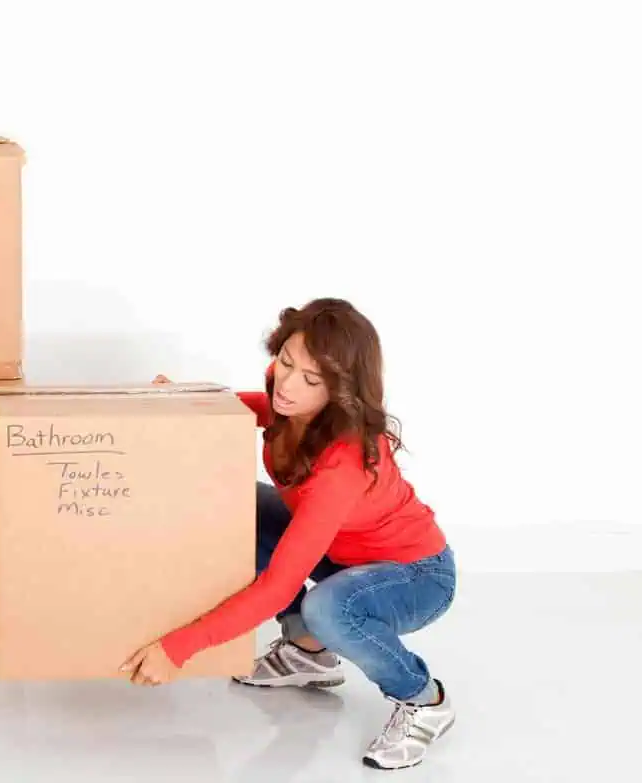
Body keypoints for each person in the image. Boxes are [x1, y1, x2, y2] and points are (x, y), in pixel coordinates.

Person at [120, 299, 457, 771]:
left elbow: (278, 585)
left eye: (311, 380)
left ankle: (424, 700)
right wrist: (187, 400)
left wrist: (177, 648)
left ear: (341, 392)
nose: (287, 385)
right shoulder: (291, 407)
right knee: (244, 506)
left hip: (416, 575)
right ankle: (308, 652)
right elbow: (255, 408)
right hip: (343, 552)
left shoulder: (343, 462)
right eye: (286, 362)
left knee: (330, 607)